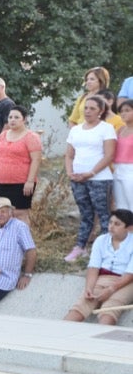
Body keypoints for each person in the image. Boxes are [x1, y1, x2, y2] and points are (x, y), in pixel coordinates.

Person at [64, 94, 116, 262]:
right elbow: (69, 155)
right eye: (86, 107)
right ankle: (80, 247)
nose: (88, 111)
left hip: (99, 179)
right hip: (78, 179)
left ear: (101, 111)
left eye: (92, 108)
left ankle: (105, 251)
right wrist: (70, 173)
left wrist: (91, 173)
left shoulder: (106, 128)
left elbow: (109, 156)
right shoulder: (76, 130)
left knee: (103, 216)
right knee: (85, 214)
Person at [63, 209, 133, 325]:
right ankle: (58, 334)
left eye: (117, 224)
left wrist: (110, 290)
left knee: (110, 307)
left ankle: (101, 340)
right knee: (81, 305)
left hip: (126, 282)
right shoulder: (101, 240)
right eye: (110, 222)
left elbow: (130, 274)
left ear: (129, 228)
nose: (111, 227)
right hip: (103, 278)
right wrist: (89, 288)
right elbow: (93, 267)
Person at [0, 105, 42, 225]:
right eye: (10, 117)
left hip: (22, 183)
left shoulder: (31, 137)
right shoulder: (3, 135)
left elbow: (36, 160)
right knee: (3, 213)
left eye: (16, 117)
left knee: (20, 213)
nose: (12, 120)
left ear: (24, 119)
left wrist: (30, 181)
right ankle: (8, 242)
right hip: (2, 182)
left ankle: (24, 242)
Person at [111, 101, 133, 210]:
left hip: (130, 170)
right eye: (122, 111)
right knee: (121, 207)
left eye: (127, 110)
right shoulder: (120, 130)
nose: (123, 114)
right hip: (117, 168)